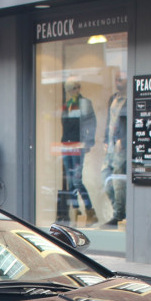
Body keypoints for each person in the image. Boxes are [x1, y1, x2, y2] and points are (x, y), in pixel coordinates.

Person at [60, 80, 97, 224]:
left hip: (78, 145)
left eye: (74, 88)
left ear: (79, 88)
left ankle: (89, 210)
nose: (72, 91)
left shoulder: (84, 103)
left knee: (76, 180)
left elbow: (91, 123)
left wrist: (88, 142)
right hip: (66, 145)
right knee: (70, 180)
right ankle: (76, 212)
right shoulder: (67, 105)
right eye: (70, 89)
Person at [102, 73, 128, 227]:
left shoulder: (130, 98)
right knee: (105, 179)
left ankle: (118, 216)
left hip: (121, 147)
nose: (117, 81)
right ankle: (119, 211)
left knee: (118, 182)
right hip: (110, 146)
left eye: (121, 79)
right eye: (116, 78)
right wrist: (106, 140)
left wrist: (123, 141)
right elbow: (108, 121)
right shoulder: (113, 98)